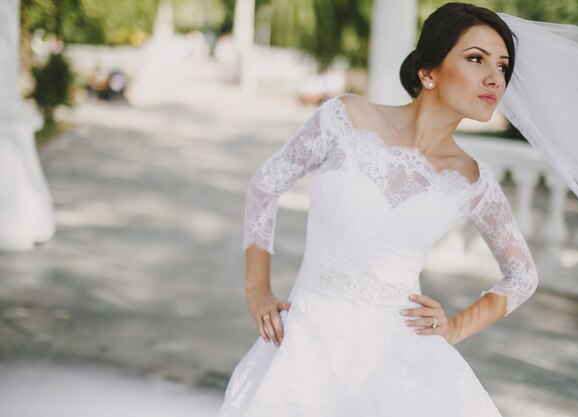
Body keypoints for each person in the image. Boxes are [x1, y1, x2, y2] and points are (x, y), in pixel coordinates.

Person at [219, 3, 554, 416]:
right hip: (307, 344)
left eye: (502, 67)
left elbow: (523, 275)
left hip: (402, 359)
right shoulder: (346, 118)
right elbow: (265, 186)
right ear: (428, 72)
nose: (494, 78)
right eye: (475, 59)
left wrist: (453, 328)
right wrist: (258, 292)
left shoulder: (472, 179)